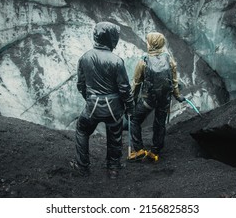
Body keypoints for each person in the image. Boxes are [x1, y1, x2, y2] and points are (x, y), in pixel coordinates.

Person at [70, 22, 134, 179]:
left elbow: (81, 84)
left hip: (92, 106)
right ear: (111, 38)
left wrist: (90, 99)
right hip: (114, 107)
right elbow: (124, 89)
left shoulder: (84, 57)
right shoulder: (117, 61)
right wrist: (129, 107)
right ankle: (113, 169)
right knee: (115, 136)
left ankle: (82, 167)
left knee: (82, 130)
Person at [128, 31, 185, 162]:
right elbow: (174, 82)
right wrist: (177, 96)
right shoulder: (169, 60)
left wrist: (131, 101)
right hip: (164, 100)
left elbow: (136, 84)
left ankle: (139, 149)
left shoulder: (143, 62)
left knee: (135, 121)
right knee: (159, 124)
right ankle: (155, 152)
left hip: (149, 99)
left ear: (150, 44)